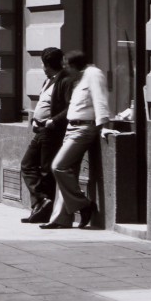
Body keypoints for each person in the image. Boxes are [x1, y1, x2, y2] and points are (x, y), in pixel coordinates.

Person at [43, 51, 110, 230]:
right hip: (72, 128)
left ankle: (84, 205)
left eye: (67, 66)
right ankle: (61, 219)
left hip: (83, 129)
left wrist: (103, 124)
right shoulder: (80, 77)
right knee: (67, 172)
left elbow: (100, 99)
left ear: (74, 65)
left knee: (59, 166)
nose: (65, 70)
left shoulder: (93, 74)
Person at [19, 48, 74, 224]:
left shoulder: (64, 81)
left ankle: (43, 207)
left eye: (43, 63)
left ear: (47, 65)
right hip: (40, 130)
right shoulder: (48, 81)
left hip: (51, 132)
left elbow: (70, 108)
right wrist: (35, 120)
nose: (42, 67)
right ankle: (41, 202)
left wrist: (53, 121)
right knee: (27, 165)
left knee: (45, 171)